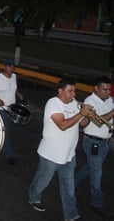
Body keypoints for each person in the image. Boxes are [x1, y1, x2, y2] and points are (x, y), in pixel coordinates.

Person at [27, 78, 93, 220]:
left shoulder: (74, 103)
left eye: (74, 91)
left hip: (69, 154)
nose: (73, 94)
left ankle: (71, 215)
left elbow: (82, 124)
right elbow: (62, 125)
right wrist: (81, 114)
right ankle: (33, 197)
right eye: (70, 91)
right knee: (42, 181)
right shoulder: (53, 103)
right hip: (51, 154)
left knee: (69, 188)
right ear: (60, 91)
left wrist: (88, 116)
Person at [75, 76, 114, 218]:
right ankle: (97, 203)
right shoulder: (90, 102)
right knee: (97, 173)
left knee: (90, 168)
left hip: (104, 142)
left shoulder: (109, 100)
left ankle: (70, 185)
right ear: (96, 88)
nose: (108, 92)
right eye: (105, 89)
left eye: (109, 89)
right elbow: (99, 121)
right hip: (93, 143)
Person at [0, 59, 24, 165]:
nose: (11, 68)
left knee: (3, 131)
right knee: (5, 132)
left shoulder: (14, 76)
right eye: (9, 66)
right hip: (0, 110)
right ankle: (8, 154)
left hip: (11, 108)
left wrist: (18, 94)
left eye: (13, 66)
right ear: (4, 67)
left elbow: (13, 88)